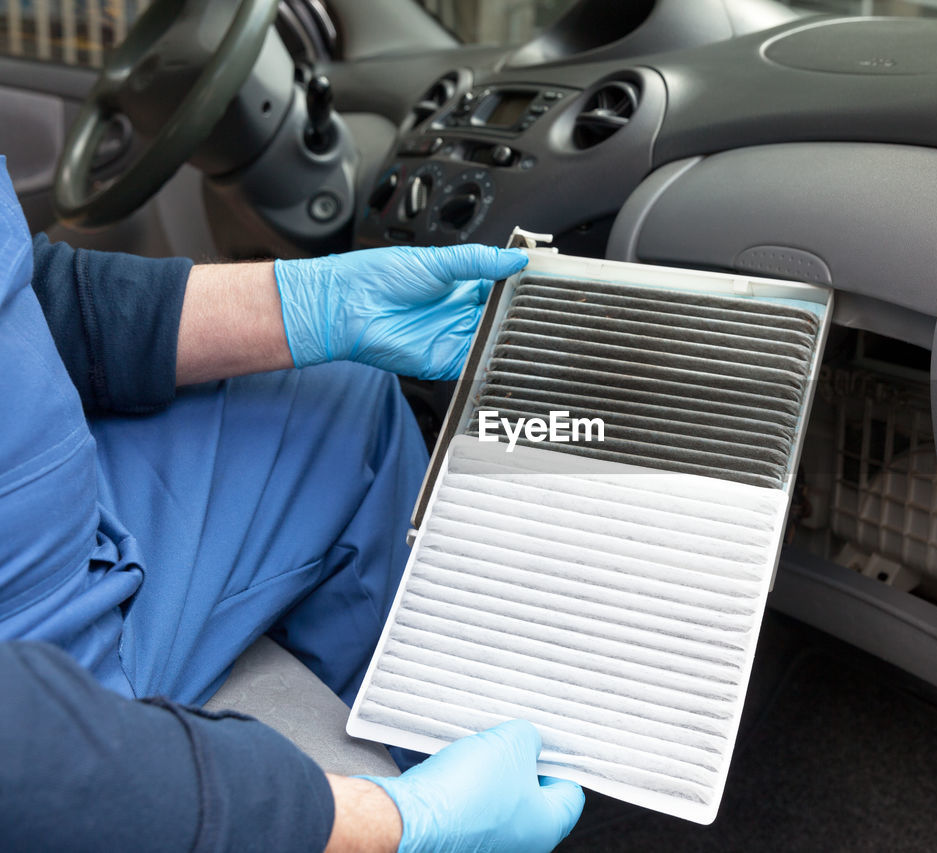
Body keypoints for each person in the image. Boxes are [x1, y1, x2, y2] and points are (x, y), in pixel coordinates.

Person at [0, 156, 584, 852]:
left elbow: (25, 294)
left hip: (57, 504)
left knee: (343, 401)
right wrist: (393, 823)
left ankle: (428, 736)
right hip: (41, 657)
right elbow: (38, 762)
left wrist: (307, 303)